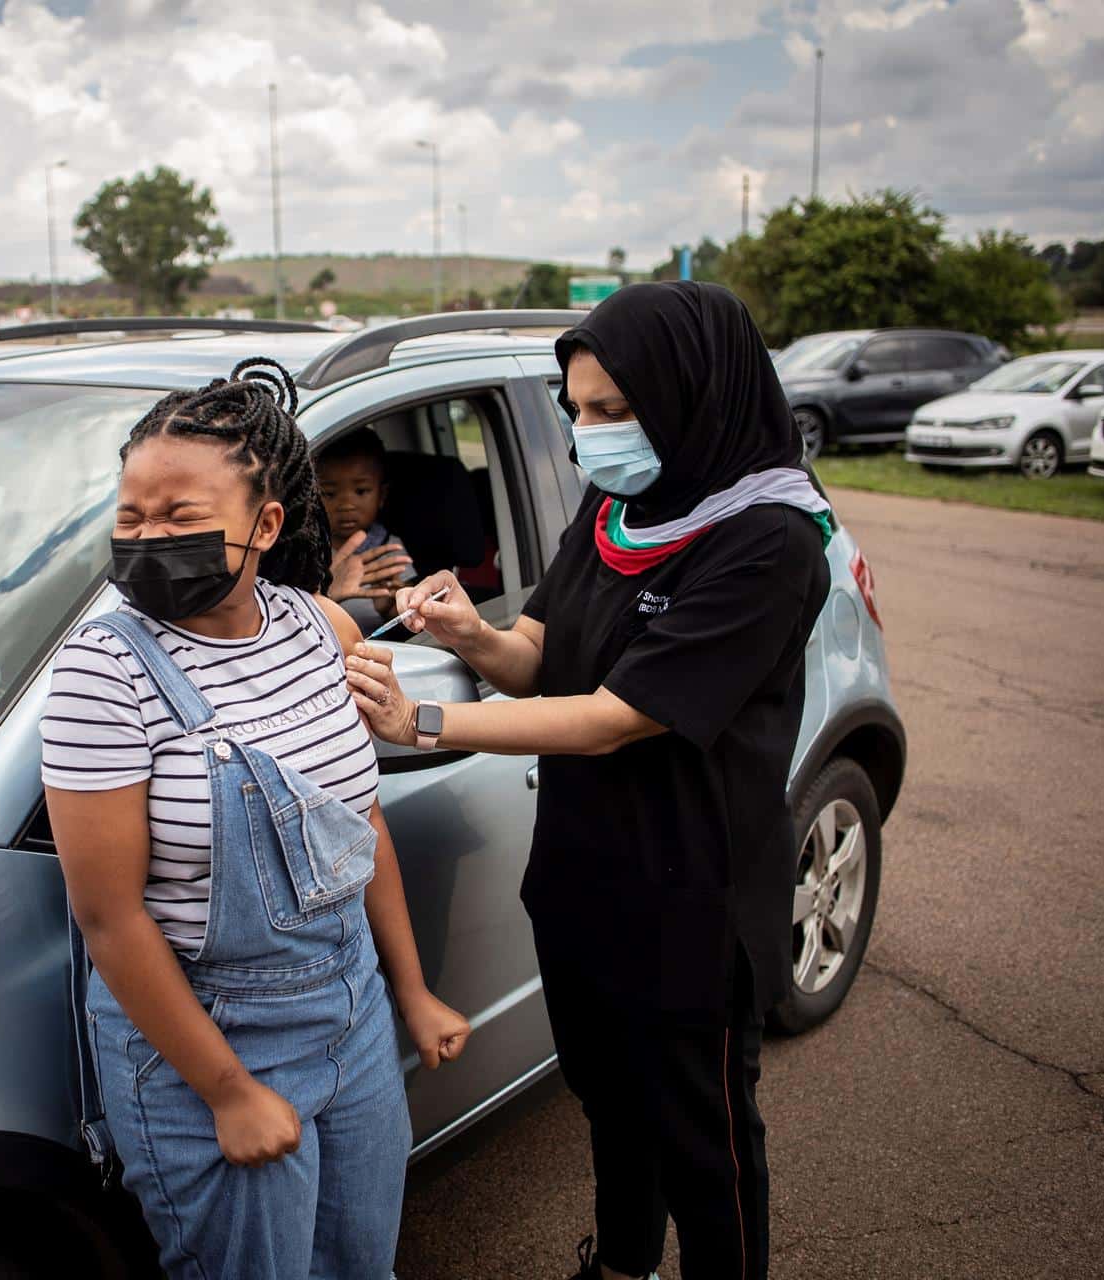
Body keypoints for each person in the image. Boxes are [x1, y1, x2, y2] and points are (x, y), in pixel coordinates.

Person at [343, 283, 834, 1280]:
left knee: (707, 1139)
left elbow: (618, 716)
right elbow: (539, 649)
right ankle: (620, 1265)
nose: (586, 431)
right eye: (578, 408)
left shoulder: (770, 539)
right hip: (586, 873)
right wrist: (473, 634)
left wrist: (424, 718)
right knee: (612, 1101)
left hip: (692, 895)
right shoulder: (618, 508)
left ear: (695, 396)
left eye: (612, 410)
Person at [42, 357, 471, 1280]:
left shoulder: (318, 628)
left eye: (182, 517)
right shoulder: (100, 675)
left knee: (362, 1266)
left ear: (266, 525)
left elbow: (357, 827)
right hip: (212, 1036)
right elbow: (110, 920)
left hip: (349, 1011)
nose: (149, 536)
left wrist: (409, 989)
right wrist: (227, 1090)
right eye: (131, 516)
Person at [316, 427, 415, 620]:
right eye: (329, 493)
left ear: (382, 495)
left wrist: (391, 609)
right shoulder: (308, 551)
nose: (346, 505)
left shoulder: (389, 548)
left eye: (361, 491)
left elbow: (410, 620)